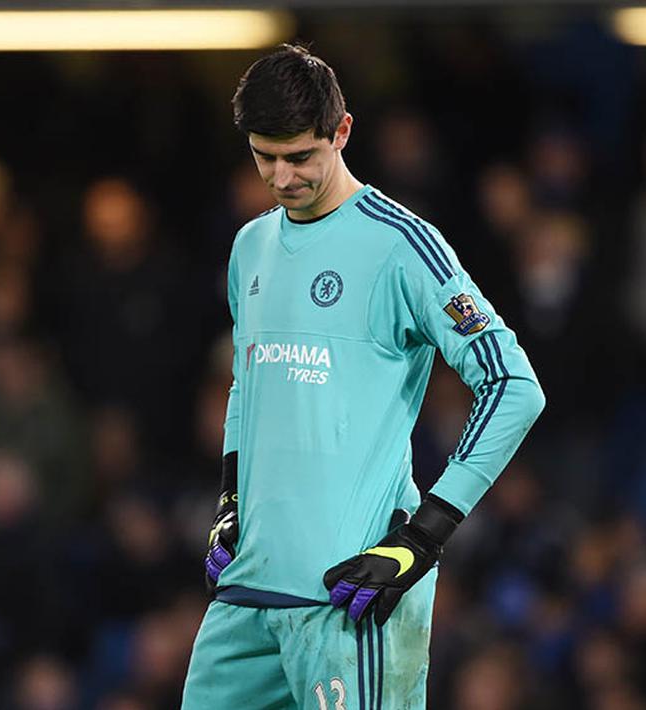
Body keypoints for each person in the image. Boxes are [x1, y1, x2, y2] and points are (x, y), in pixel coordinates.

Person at [182, 44, 545, 709]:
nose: (282, 176)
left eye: (299, 157)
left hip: (349, 595)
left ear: (341, 131)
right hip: (246, 594)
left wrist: (423, 538)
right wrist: (231, 501)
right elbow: (249, 383)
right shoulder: (249, 247)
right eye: (265, 156)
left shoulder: (402, 245)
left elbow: (514, 385)